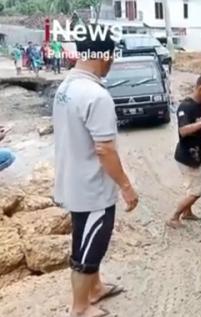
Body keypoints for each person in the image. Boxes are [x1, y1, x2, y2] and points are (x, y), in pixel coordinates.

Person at [53, 25, 139, 317]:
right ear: (103, 54)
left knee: (87, 237)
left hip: (72, 180)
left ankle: (96, 287)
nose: (113, 61)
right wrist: (126, 186)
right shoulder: (96, 95)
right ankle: (79, 308)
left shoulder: (66, 87)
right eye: (112, 54)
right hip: (92, 189)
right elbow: (105, 150)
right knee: (89, 246)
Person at [167, 75, 201, 229]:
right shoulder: (186, 107)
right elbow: (183, 130)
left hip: (196, 154)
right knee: (197, 191)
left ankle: (187, 213)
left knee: (192, 186)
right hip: (186, 156)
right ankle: (174, 216)